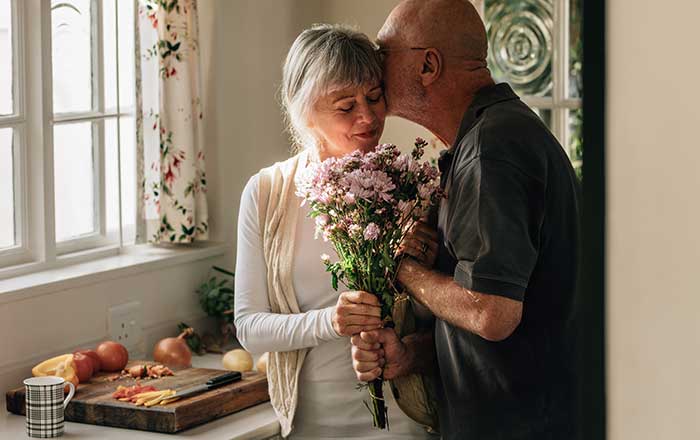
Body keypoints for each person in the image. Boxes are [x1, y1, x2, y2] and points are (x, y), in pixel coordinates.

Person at [350, 1, 581, 439]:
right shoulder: (484, 140)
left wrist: (401, 268)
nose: (374, 69)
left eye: (384, 54)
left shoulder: (492, 150)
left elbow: (492, 314)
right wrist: (411, 355)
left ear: (428, 65)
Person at [234, 24, 435, 440]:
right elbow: (251, 329)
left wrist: (419, 270)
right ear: (305, 112)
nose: (368, 117)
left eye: (375, 97)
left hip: (407, 425)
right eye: (346, 106)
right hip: (312, 428)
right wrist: (331, 321)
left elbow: (448, 325)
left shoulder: (411, 190)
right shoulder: (268, 194)